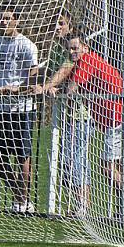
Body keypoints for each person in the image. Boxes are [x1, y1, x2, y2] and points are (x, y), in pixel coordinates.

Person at [66, 33, 124, 212]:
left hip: (119, 117)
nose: (72, 52)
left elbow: (70, 90)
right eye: (69, 48)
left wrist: (58, 93)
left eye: (75, 48)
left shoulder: (87, 61)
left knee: (107, 167)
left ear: (85, 47)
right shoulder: (82, 64)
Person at [0, 4, 39, 214]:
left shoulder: (27, 46)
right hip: (1, 109)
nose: (4, 22)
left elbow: (33, 78)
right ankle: (17, 195)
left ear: (17, 20)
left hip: (22, 109)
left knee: (22, 155)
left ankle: (24, 201)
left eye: (7, 18)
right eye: (1, 18)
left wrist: (16, 89)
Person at [42, 12, 91, 214]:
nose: (56, 27)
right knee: (66, 163)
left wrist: (51, 86)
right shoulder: (58, 48)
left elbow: (66, 73)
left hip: (80, 114)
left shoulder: (76, 51)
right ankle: (79, 205)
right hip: (65, 115)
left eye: (60, 23)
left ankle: (82, 206)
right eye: (53, 24)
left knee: (76, 161)